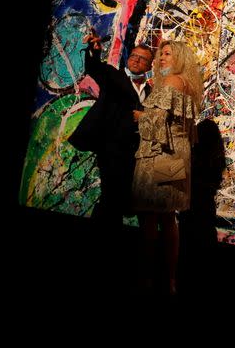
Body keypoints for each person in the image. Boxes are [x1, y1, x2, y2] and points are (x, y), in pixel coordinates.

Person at [67, 30, 154, 289]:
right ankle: (99, 253)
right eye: (134, 56)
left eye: (142, 59)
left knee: (122, 201)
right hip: (112, 148)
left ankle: (114, 256)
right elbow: (95, 66)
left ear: (149, 66)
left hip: (135, 153)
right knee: (110, 198)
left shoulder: (151, 90)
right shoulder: (114, 77)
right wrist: (94, 49)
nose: (136, 61)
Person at [131, 40, 202, 296]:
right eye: (161, 54)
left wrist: (139, 116)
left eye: (168, 54)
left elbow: (155, 122)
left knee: (150, 218)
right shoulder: (188, 84)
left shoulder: (172, 82)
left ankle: (146, 278)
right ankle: (169, 280)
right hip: (176, 156)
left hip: (159, 154)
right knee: (167, 218)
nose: (161, 58)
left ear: (180, 57)